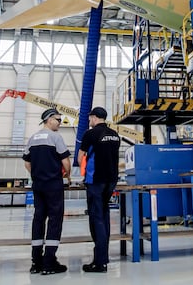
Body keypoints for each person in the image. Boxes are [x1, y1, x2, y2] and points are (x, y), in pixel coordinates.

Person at [23, 108, 71, 275]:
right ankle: (49, 262)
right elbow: (65, 162)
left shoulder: (32, 138)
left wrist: (36, 175)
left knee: (38, 219)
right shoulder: (56, 137)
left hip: (38, 184)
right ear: (49, 119)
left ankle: (36, 262)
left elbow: (27, 163)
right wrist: (68, 176)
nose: (59, 122)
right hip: (53, 184)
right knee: (55, 219)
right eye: (58, 119)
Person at [78, 106, 120, 273]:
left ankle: (100, 262)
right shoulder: (115, 135)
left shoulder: (90, 134)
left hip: (96, 180)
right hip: (111, 181)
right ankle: (104, 257)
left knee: (97, 219)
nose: (89, 121)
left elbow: (80, 156)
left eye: (90, 118)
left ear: (94, 118)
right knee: (105, 215)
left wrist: (82, 169)